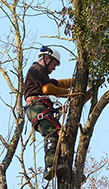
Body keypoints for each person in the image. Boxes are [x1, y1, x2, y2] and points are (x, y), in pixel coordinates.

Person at [23, 46, 74, 180]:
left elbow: (58, 84)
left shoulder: (42, 75)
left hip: (39, 109)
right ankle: (50, 166)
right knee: (53, 132)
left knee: (61, 133)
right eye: (54, 64)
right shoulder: (36, 70)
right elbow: (47, 89)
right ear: (46, 58)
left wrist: (76, 82)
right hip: (37, 108)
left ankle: (62, 166)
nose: (54, 68)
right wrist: (71, 94)